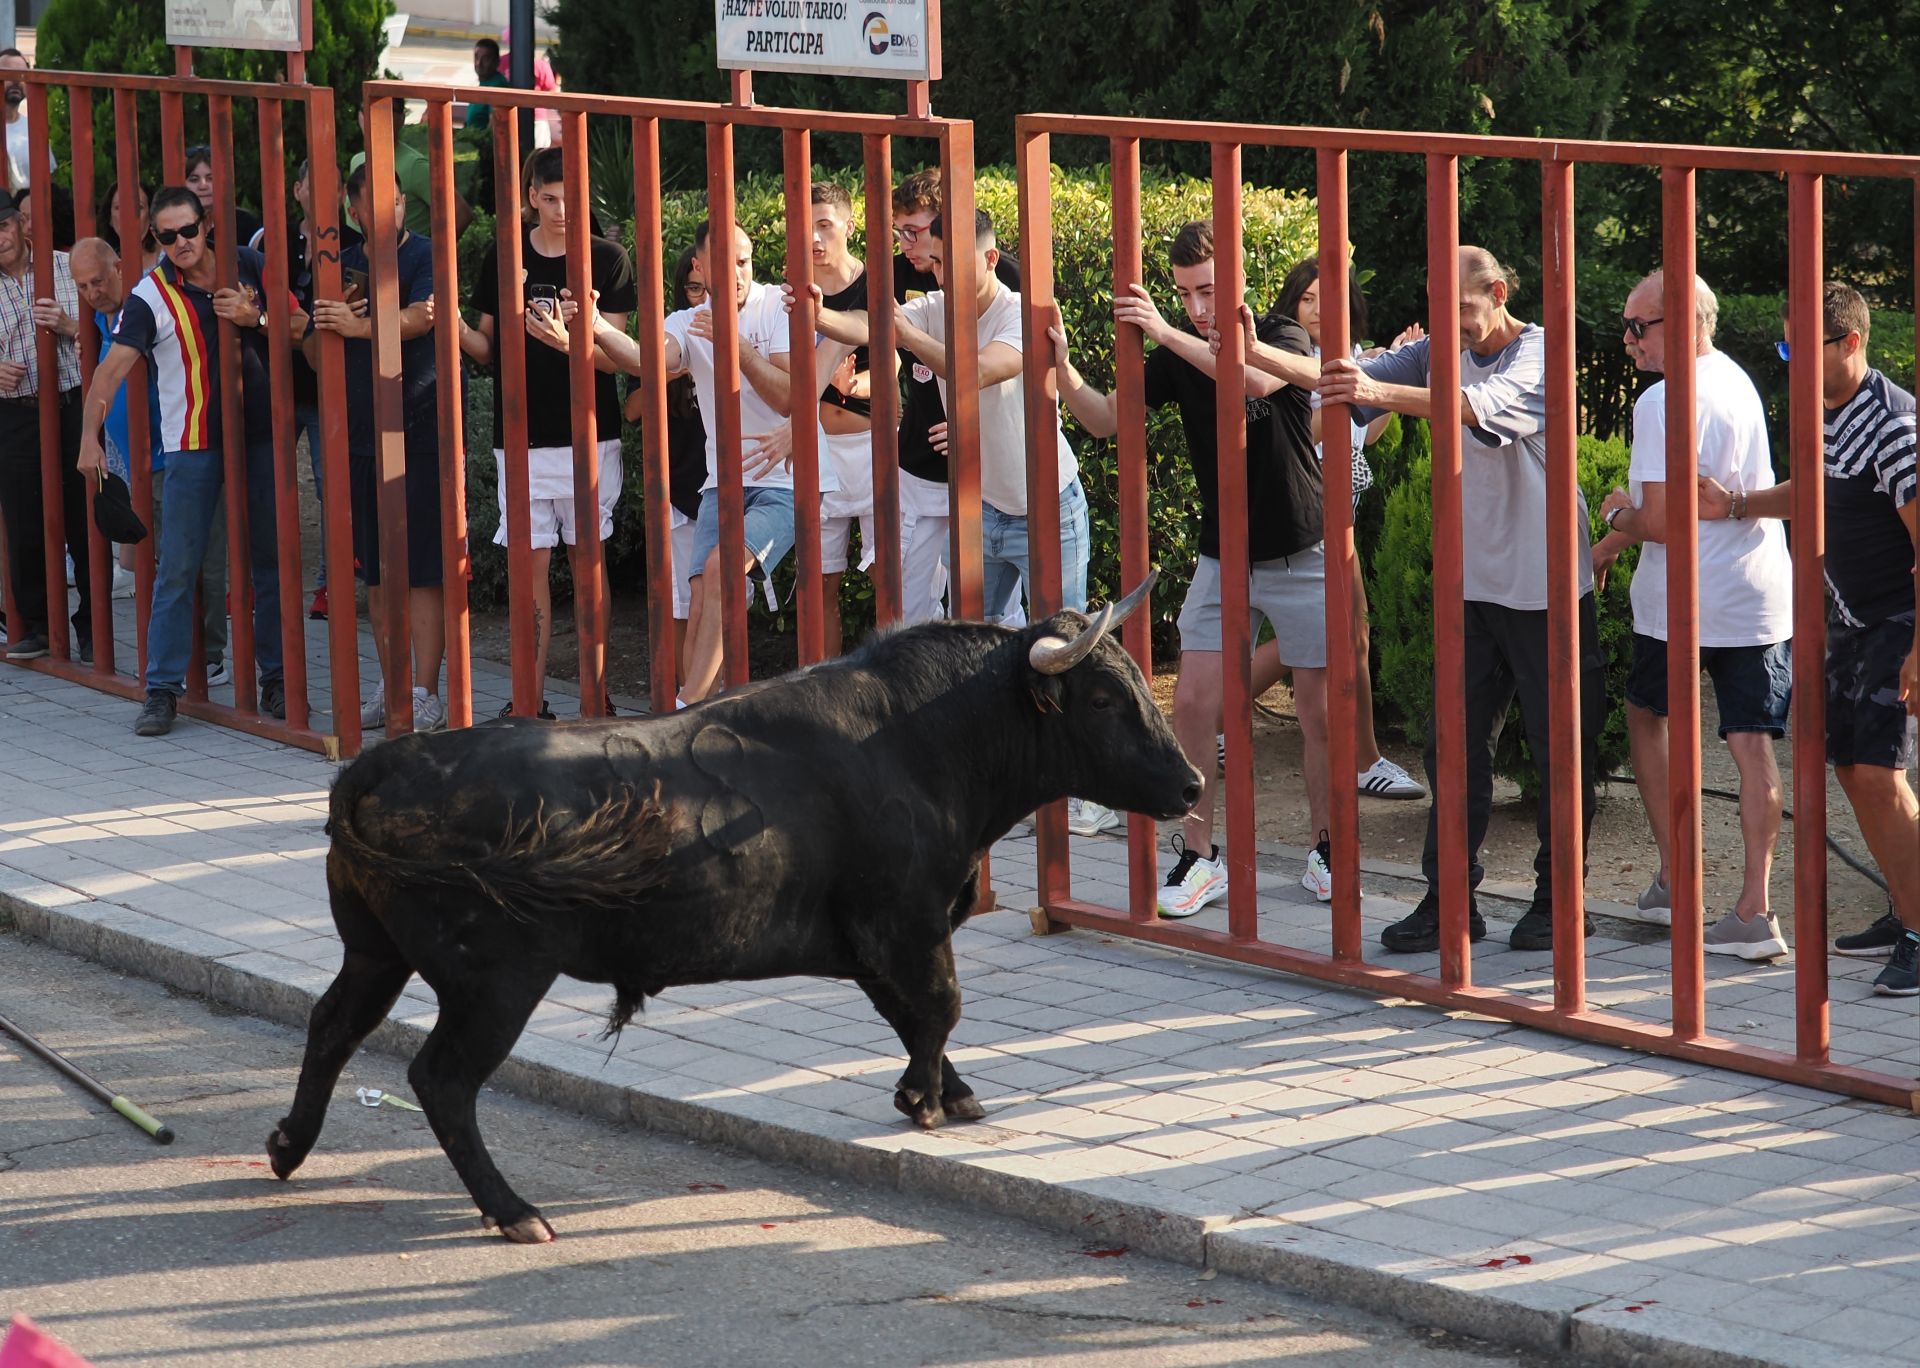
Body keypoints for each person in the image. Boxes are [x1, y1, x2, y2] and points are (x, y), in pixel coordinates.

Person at [1321, 245, 1604, 955]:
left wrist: (1377, 390)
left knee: (1558, 753)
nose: (1448, 326)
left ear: (1498, 292)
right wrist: (1251, 348)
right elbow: (1346, 383)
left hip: (1546, 592)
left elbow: (1474, 407)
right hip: (1474, 589)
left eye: (1462, 310)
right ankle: (1448, 899)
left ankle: (1559, 899)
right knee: (1452, 749)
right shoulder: (1440, 351)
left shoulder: (1539, 355)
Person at [1052, 221, 1332, 914]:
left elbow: (1254, 376)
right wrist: (1060, 369)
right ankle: (1200, 858)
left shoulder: (1281, 333)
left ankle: (1330, 849)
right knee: (1192, 702)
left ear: (1238, 280)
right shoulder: (1178, 355)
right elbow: (1108, 420)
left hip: (1302, 549)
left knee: (1322, 713)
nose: (1198, 307)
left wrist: (1165, 331)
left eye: (1208, 290)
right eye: (1184, 294)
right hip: (1223, 553)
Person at [1698, 281, 1917, 995]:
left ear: (1850, 342)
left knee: (1881, 775)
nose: (1789, 361)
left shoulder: (1895, 426)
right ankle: (1902, 905)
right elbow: (1813, 489)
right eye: (1784, 347)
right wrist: (1735, 505)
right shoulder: (1822, 412)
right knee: (1853, 769)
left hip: (1897, 621)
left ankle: (1919, 931)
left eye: (1801, 347)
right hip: (1851, 623)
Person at [1591, 271, 1793, 960]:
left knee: (1648, 716)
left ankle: (1679, 880)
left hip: (1683, 599)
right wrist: (1615, 541)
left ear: (1680, 322)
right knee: (1752, 742)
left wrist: (1616, 513)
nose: (1629, 342)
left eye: (1638, 327)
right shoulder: (1736, 378)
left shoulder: (1663, 401)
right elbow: (1699, 502)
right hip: (1756, 589)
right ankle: (1754, 910)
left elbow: (1664, 519)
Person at [77, 185, 303, 736]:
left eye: (187, 230)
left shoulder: (248, 263)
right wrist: (89, 438)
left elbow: (301, 327)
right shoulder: (149, 294)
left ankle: (276, 681)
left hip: (260, 437)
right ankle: (161, 691)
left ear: (206, 225)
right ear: (155, 237)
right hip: (191, 443)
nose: (180, 242)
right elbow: (110, 370)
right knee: (177, 567)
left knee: (270, 562)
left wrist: (257, 318)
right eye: (166, 234)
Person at [812, 207, 1085, 628]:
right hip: (980, 507)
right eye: (936, 262)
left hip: (1047, 505)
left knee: (1062, 644)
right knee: (972, 645)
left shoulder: (1021, 312)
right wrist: (818, 314)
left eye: (952, 263)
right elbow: (870, 324)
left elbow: (976, 371)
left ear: (991, 259)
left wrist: (909, 335)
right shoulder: (936, 307)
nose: (940, 275)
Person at [458, 146, 634, 717]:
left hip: (591, 436)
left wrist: (570, 342)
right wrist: (450, 325)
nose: (561, 209)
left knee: (590, 568)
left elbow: (621, 359)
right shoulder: (504, 255)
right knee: (528, 572)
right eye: (551, 197)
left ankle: (594, 700)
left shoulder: (607, 258)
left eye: (570, 198)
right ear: (532, 197)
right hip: (520, 437)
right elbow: (487, 348)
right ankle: (527, 706)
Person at [1258, 258, 1425, 801]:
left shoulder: (1352, 358)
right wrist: (1353, 389)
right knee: (1346, 631)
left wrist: (1386, 382)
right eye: (1307, 298)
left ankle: (1208, 716)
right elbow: (1301, 430)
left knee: (1335, 632)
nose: (1318, 309)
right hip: (1312, 511)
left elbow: (1367, 434)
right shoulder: (1288, 360)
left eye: (1328, 298)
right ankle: (1365, 760)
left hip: (1341, 507)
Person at [304, 163, 447, 733]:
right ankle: (393, 691)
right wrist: (330, 321)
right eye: (376, 203)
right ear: (353, 210)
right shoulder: (338, 261)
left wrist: (361, 327)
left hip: (420, 430)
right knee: (378, 575)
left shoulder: (426, 255)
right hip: (361, 436)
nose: (391, 210)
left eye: (397, 200)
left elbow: (424, 316)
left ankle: (427, 692)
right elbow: (315, 354)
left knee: (423, 569)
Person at [0, 187, 91, 663]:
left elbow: (110, 325)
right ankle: (38, 625)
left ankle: (93, 627)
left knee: (84, 514)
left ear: (19, 223)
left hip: (72, 404)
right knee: (24, 520)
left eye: (2, 227)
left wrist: (71, 324)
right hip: (14, 414)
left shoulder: (64, 266)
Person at [623, 245, 712, 684]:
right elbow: (632, 409)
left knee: (724, 598)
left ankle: (723, 693)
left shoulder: (745, 328)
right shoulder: (669, 334)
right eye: (693, 289)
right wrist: (673, 371)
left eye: (707, 288)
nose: (701, 297)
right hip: (680, 489)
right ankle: (685, 692)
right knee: (683, 602)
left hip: (729, 484)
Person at [808, 182, 878, 658]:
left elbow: (898, 364)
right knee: (820, 583)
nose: (814, 237)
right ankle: (819, 704)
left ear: (849, 226)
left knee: (887, 578)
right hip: (816, 450)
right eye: (806, 226)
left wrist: (856, 385)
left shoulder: (877, 282)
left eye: (825, 225)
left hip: (875, 448)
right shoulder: (791, 289)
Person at [348, 106, 474, 241]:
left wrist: (430, 254)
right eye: (365, 110)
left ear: (401, 118)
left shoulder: (416, 166)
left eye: (385, 109)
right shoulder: (357, 160)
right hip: (359, 258)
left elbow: (460, 214)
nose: (371, 117)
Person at [184, 145, 263, 254]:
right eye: (194, 179)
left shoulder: (244, 222)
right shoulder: (171, 224)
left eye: (210, 178)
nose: (203, 185)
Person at [0, 49, 54, 191]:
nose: (17, 80)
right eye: (9, 74)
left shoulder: (34, 129)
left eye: (23, 74)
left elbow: (47, 182)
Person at [465, 37, 510, 132]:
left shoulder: (498, 86)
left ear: (497, 62)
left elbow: (494, 128)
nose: (479, 63)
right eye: (476, 57)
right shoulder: (483, 84)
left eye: (485, 59)